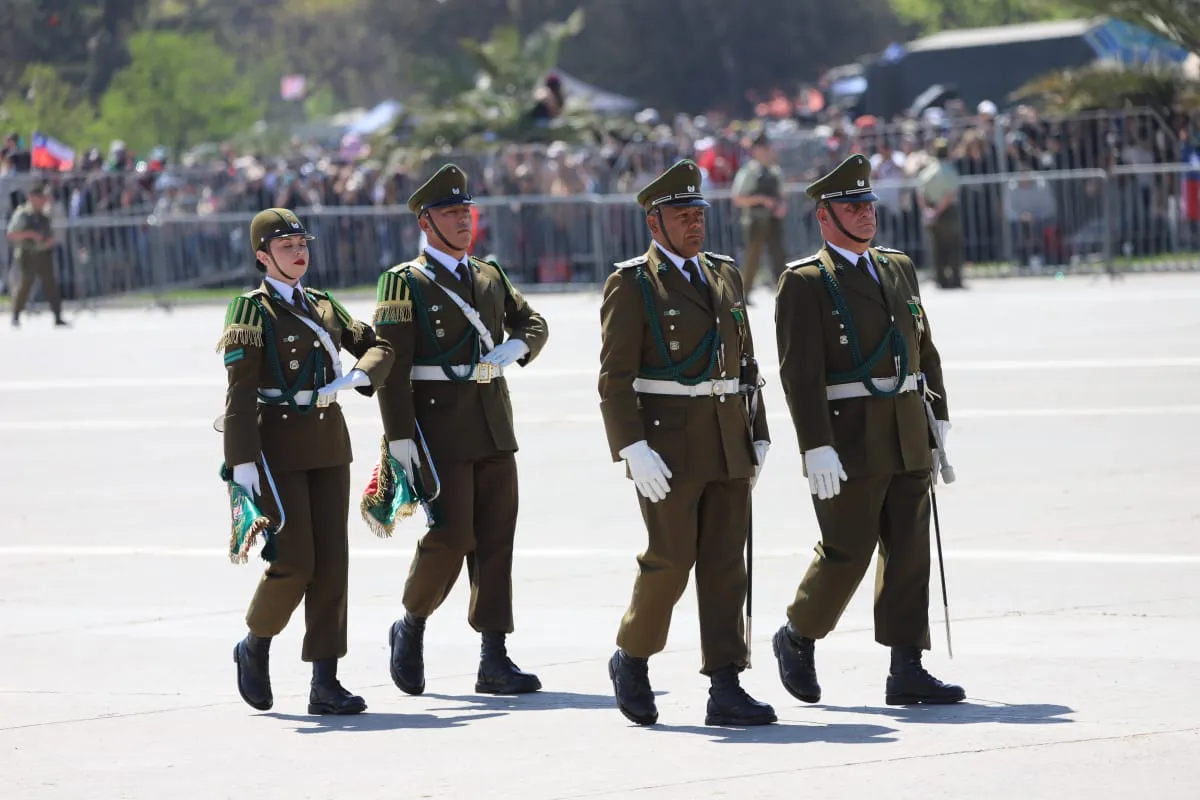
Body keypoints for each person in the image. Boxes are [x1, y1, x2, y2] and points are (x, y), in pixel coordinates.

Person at [771, 154, 964, 706]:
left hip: (906, 427)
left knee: (908, 548)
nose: (866, 215)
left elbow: (923, 345)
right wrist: (815, 447)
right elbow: (798, 376)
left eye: (868, 205)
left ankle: (907, 667)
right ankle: (798, 635)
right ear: (824, 217)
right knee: (847, 548)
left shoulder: (897, 266)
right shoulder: (804, 283)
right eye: (853, 207)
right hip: (848, 434)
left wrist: (939, 412)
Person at [598, 159, 776, 727]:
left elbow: (745, 362)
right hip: (667, 447)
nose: (694, 224)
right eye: (681, 216)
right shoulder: (633, 283)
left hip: (728, 438)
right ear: (656, 225)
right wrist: (631, 447)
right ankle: (633, 657)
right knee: (670, 560)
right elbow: (614, 378)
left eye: (698, 213)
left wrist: (759, 430)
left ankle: (726, 683)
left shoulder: (723, 272)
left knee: (727, 565)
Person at [373, 164, 549, 697]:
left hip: (494, 424)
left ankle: (493, 656)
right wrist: (400, 439)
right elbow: (390, 366)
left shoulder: (490, 274)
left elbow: (532, 323)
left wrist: (516, 348)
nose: (463, 220)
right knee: (451, 537)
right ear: (426, 223)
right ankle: (411, 624)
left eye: (466, 211)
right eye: (450, 213)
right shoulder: (403, 282)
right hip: (440, 429)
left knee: (497, 541)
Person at [220, 207, 395, 715]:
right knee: (295, 562)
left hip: (327, 443)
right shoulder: (251, 311)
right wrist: (242, 462)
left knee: (333, 564)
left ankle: (326, 679)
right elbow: (240, 392)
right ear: (262, 257)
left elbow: (376, 345)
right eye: (286, 247)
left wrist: (361, 375)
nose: (299, 253)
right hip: (276, 446)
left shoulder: (322, 304)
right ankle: (254, 643)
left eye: (302, 244)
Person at [731, 131, 787, 299]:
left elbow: (783, 195)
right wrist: (762, 200)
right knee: (752, 259)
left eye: (766, 147)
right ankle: (743, 294)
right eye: (760, 147)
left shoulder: (775, 171)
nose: (764, 150)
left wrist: (782, 207)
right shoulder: (749, 171)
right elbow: (739, 198)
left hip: (773, 220)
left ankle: (784, 292)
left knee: (779, 257)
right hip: (754, 220)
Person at [6, 182, 66, 327]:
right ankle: (16, 315)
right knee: (26, 282)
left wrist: (49, 241)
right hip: (27, 253)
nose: (42, 201)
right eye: (39, 197)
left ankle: (57, 316)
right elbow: (11, 234)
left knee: (50, 283)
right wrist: (31, 235)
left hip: (43, 253)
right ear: (31, 197)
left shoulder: (44, 215)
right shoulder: (22, 214)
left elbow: (49, 233)